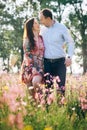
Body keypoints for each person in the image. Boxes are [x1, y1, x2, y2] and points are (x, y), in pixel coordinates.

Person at [39, 8, 74, 93]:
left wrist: (69, 57)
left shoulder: (61, 27)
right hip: (47, 63)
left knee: (61, 89)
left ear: (48, 18)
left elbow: (70, 42)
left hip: (60, 63)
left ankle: (61, 106)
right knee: (48, 90)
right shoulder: (42, 30)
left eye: (42, 19)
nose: (41, 22)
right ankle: (48, 106)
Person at [21, 17, 44, 91]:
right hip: (29, 67)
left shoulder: (41, 38)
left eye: (38, 23)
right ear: (31, 26)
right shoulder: (27, 39)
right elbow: (27, 55)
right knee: (31, 93)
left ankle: (44, 99)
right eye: (35, 23)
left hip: (40, 66)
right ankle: (37, 102)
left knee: (35, 82)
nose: (38, 24)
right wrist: (33, 67)